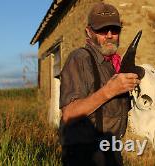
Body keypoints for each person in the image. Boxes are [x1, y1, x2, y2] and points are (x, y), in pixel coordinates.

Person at [59, 2, 140, 166]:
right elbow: (69, 114)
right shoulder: (80, 58)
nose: (109, 35)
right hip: (84, 156)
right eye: (102, 29)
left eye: (114, 29)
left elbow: (113, 109)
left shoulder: (112, 64)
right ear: (89, 31)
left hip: (111, 151)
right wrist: (109, 91)